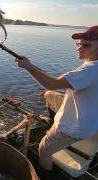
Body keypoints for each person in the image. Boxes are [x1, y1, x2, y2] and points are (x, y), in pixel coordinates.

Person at [15, 25, 98, 171]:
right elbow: (55, 84)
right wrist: (31, 66)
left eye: (86, 45)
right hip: (88, 124)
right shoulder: (91, 65)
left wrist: (28, 67)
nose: (79, 48)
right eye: (79, 44)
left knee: (43, 150)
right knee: (49, 94)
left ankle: (45, 173)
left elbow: (52, 84)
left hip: (72, 128)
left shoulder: (91, 70)